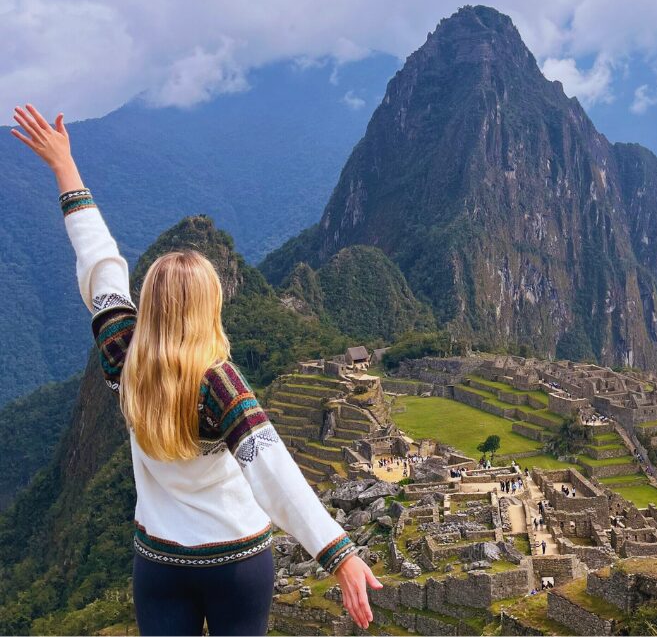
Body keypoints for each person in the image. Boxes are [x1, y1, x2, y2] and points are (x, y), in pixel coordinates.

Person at [10, 104, 382, 635]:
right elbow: (273, 470)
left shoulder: (124, 355)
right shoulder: (219, 382)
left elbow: (100, 264)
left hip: (160, 566)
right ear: (209, 307)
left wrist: (65, 168)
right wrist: (339, 555)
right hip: (237, 563)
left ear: (151, 302)